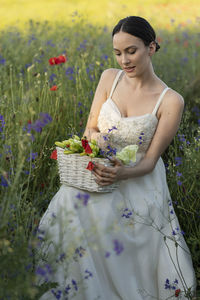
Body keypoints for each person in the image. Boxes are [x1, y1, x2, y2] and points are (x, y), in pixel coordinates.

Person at [36, 16, 196, 300]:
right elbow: (90, 128)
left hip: (138, 178)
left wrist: (121, 173)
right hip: (100, 169)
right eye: (118, 53)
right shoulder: (110, 78)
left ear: (152, 47)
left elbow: (150, 162)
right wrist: (98, 145)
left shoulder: (171, 101)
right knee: (71, 202)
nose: (124, 60)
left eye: (131, 51)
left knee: (116, 220)